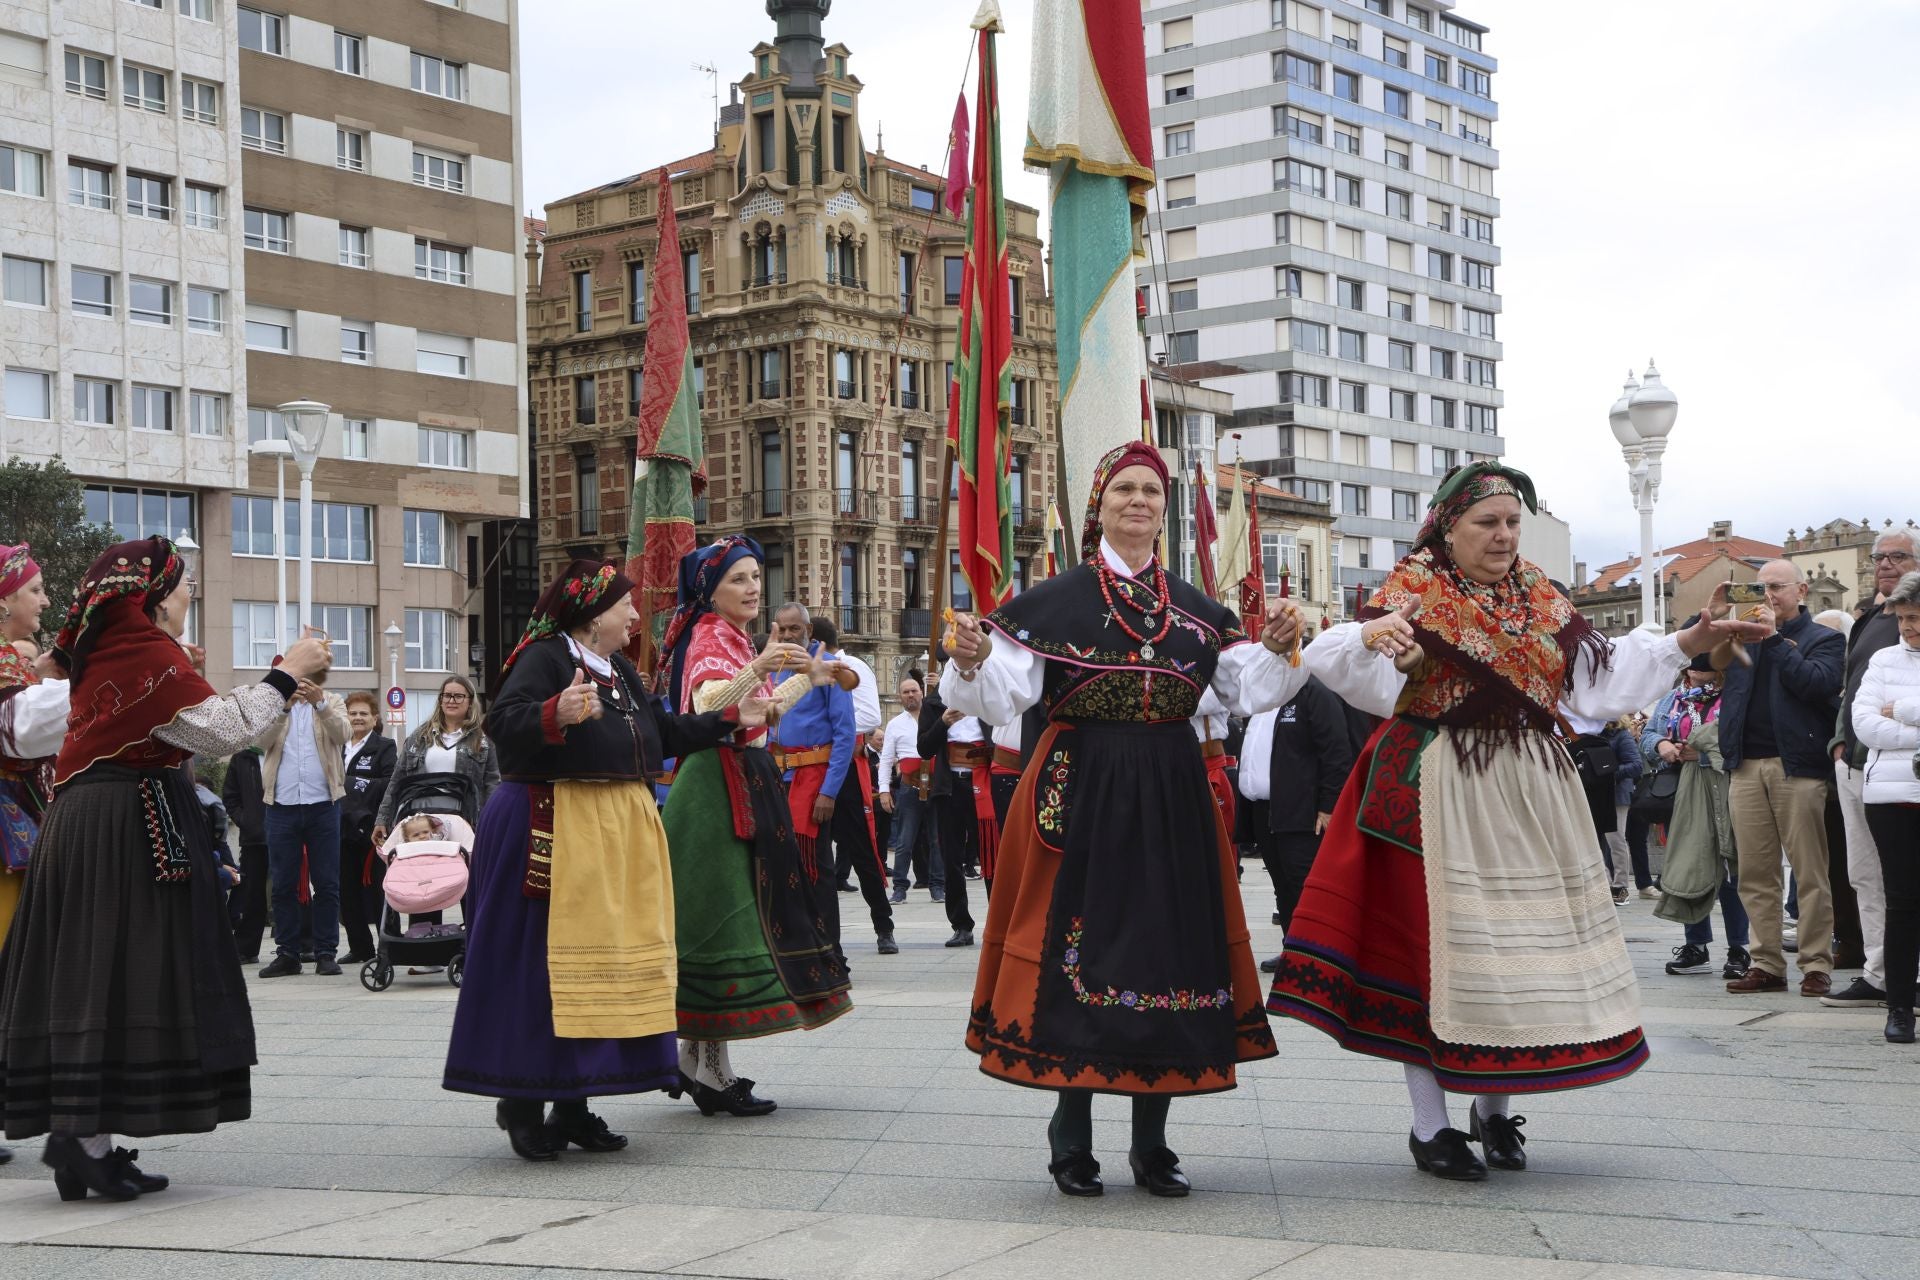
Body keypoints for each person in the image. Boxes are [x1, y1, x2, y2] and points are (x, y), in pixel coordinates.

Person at [1266, 463, 1756, 1182]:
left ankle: (1494, 1114)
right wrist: (1389, 652)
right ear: (1447, 527)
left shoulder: (1540, 598)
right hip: (1435, 782)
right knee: (1434, 955)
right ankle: (1430, 1127)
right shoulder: (1412, 591)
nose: (1502, 536)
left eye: (1511, 523)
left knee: (1515, 952)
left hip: (1528, 787)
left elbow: (1596, 679)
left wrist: (1690, 640)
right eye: (1486, 523)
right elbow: (1354, 663)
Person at [943, 439, 1308, 1199]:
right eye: (1124, 490)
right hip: (1080, 791)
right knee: (1080, 958)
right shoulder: (1053, 601)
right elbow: (1000, 694)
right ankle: (1070, 1137)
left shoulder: (1199, 613)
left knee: (1167, 958)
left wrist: (1276, 650)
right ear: (1099, 506)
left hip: (1171, 792)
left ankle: (1153, 1143)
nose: (1138, 501)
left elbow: (1246, 690)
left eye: (1150, 490)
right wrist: (973, 658)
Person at [0, 536, 330, 1200]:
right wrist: (285, 674)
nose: (190, 595)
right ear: (151, 597)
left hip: (100, 826)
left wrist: (277, 684)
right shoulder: (142, 654)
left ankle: (86, 1139)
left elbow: (193, 723)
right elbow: (218, 729)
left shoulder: (119, 655)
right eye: (184, 584)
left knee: (108, 976)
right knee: (116, 974)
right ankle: (80, 1138)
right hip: (118, 833)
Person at [442, 558, 766, 1159]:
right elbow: (502, 725)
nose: (636, 615)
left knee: (596, 971)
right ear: (593, 615)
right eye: (625, 606)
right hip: (552, 827)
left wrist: (726, 719)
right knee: (542, 970)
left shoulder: (616, 669)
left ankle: (575, 1104)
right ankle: (522, 1100)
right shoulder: (542, 659)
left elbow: (659, 734)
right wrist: (553, 713)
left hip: (606, 833)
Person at [659, 536, 852, 1118]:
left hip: (742, 778)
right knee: (725, 920)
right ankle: (712, 1073)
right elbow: (710, 702)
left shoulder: (734, 639)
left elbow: (759, 713)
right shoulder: (707, 637)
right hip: (715, 788)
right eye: (739, 579)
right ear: (709, 590)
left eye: (754, 577)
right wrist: (762, 666)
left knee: (737, 915)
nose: (752, 587)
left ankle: (701, 1064)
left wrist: (812, 678)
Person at [1716, 560, 1846, 997]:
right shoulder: (1739, 639)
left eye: (1776, 586)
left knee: (1809, 871)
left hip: (1798, 766)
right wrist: (1714, 617)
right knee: (1754, 872)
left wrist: (1773, 639)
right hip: (1745, 765)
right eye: (1760, 588)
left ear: (1801, 590)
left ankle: (1815, 964)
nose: (1767, 595)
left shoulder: (1825, 640)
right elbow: (1699, 662)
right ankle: (1766, 963)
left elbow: (1814, 685)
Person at [0, 544, 69, 1171]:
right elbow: (18, 735)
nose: (43, 601)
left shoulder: (17, 665)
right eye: (35, 590)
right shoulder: (2, 664)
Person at [1825, 530, 1915, 1008]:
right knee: (1864, 873)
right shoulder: (1867, 622)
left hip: (1905, 769)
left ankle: (1908, 976)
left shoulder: (1912, 626)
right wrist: (1840, 740)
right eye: (1879, 557)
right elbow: (1851, 691)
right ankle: (1879, 972)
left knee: (1905, 876)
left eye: (1898, 556)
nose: (1885, 564)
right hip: (1857, 766)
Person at [374, 675, 499, 970]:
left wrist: (493, 822)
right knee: (423, 879)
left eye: (458, 696)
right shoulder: (419, 737)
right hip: (421, 823)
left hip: (464, 821)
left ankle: (474, 948)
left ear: (470, 702)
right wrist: (383, 818)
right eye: (446, 695)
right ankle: (424, 951)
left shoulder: (482, 741)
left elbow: (492, 784)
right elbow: (397, 781)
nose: (451, 701)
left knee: (468, 881)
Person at [795, 612, 895, 954]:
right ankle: (819, 940)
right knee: (812, 854)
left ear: (814, 637)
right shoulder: (790, 666)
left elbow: (870, 717)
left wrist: (832, 718)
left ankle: (884, 926)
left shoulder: (851, 666)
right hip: (807, 771)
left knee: (861, 850)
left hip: (846, 767)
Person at [1242, 676, 1357, 972]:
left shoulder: (1314, 692)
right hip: (1265, 811)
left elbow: (1337, 751)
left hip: (1302, 812)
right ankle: (1293, 952)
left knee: (1304, 888)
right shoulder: (1266, 690)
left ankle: (1318, 959)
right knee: (1282, 887)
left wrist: (1329, 805)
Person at [1850, 570, 1920, 1043]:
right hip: (1894, 796)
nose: (1907, 627)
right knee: (1901, 902)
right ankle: (1899, 1007)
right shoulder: (1882, 659)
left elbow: (1888, 718)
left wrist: (1905, 709)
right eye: (1903, 619)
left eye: (1916, 618)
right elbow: (1865, 726)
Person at [1649, 656, 1750, 979]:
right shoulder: (1674, 696)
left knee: (1730, 864)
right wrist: (1661, 744)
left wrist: (1704, 753)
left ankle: (1739, 947)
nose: (1694, 670)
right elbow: (1648, 733)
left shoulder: (1733, 693)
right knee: (1690, 863)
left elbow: (1742, 737)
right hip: (1684, 786)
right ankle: (1696, 945)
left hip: (1726, 783)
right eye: (1691, 665)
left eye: (1703, 666)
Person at [257, 668, 350, 978]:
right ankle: (287, 953)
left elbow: (343, 734)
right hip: (281, 805)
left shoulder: (332, 701)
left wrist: (320, 704)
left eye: (306, 679)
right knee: (283, 884)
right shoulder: (273, 707)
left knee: (327, 883)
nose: (301, 685)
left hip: (324, 803)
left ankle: (325, 952)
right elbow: (260, 741)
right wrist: (283, 709)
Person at [916, 670, 982, 945]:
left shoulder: (989, 693)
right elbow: (924, 748)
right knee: (951, 857)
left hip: (984, 782)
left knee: (991, 854)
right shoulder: (934, 703)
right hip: (950, 785)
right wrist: (942, 722)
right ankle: (961, 924)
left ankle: (1002, 921)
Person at [338, 691, 396, 965]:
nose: (358, 718)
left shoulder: (385, 746)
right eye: (353, 713)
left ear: (375, 719)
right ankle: (360, 947)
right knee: (346, 891)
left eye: (363, 713)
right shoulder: (336, 745)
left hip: (373, 828)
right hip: (340, 829)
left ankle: (390, 945)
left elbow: (389, 783)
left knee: (380, 890)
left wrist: (352, 783)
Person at [877, 674, 934, 904]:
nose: (911, 695)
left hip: (935, 782)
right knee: (904, 840)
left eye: (914, 691)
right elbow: (887, 759)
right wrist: (883, 790)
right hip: (909, 785)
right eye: (906, 692)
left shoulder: (934, 717)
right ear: (900, 696)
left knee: (936, 839)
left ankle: (937, 885)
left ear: (922, 691)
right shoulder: (894, 724)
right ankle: (900, 887)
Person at [220, 747, 269, 962]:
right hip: (254, 836)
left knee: (294, 889)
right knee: (252, 892)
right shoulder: (242, 757)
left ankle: (304, 943)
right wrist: (246, 820)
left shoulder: (289, 748)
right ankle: (247, 948)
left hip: (289, 831)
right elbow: (230, 795)